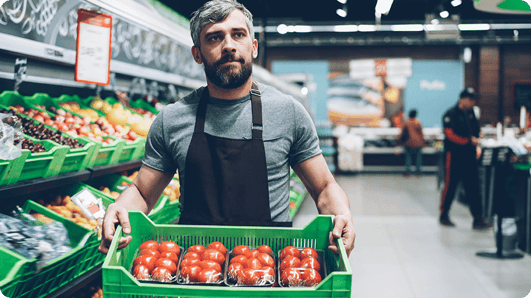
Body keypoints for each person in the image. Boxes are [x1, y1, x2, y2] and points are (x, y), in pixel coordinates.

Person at [99, 0, 355, 257]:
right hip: (195, 272)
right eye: (214, 38)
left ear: (253, 47)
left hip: (266, 269)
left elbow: (323, 187)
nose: (229, 46)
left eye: (238, 35)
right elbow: (143, 193)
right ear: (197, 54)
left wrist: (341, 214)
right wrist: (119, 207)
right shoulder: (172, 120)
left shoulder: (289, 113)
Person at [439, 88, 492, 230]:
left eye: (473, 100)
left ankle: (478, 219)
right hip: (454, 156)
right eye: (470, 99)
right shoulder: (450, 114)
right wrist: (468, 141)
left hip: (470, 156)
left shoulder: (471, 113)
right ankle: (444, 215)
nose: (472, 102)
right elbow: (449, 134)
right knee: (450, 186)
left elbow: (476, 130)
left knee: (473, 188)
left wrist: (478, 137)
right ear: (462, 98)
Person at [398, 109, 425, 177]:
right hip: (418, 142)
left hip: (409, 142)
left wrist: (398, 141)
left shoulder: (406, 122)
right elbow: (421, 133)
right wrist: (423, 142)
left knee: (408, 158)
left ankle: (407, 172)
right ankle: (418, 172)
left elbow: (402, 133)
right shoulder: (418, 122)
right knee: (418, 158)